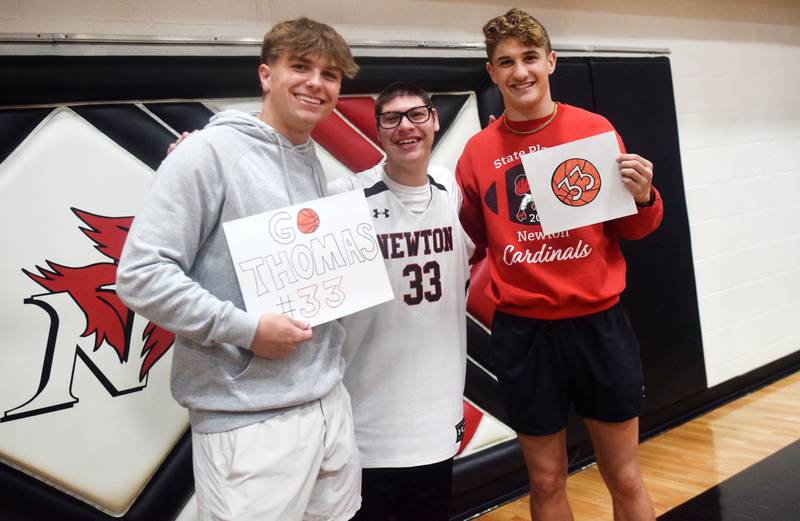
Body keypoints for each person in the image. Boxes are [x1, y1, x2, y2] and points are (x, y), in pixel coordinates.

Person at [116, 17, 362, 521]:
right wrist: (247, 330)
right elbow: (141, 275)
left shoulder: (309, 157)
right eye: (301, 66)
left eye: (331, 74)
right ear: (266, 74)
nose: (317, 82)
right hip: (247, 419)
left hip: (325, 402)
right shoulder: (207, 153)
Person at [456, 8, 663, 521]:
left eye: (529, 58)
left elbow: (635, 229)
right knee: (546, 481)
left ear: (550, 61)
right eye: (506, 62)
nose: (519, 72)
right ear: (492, 73)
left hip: (597, 324)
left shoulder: (593, 130)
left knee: (624, 476)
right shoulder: (478, 152)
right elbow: (473, 242)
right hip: (524, 333)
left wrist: (643, 197)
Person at [328, 82, 472, 521]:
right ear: (377, 131)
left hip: (437, 411)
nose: (405, 127)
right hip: (369, 415)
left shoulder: (449, 188)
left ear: (435, 120)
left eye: (416, 115)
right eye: (392, 118)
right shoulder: (344, 197)